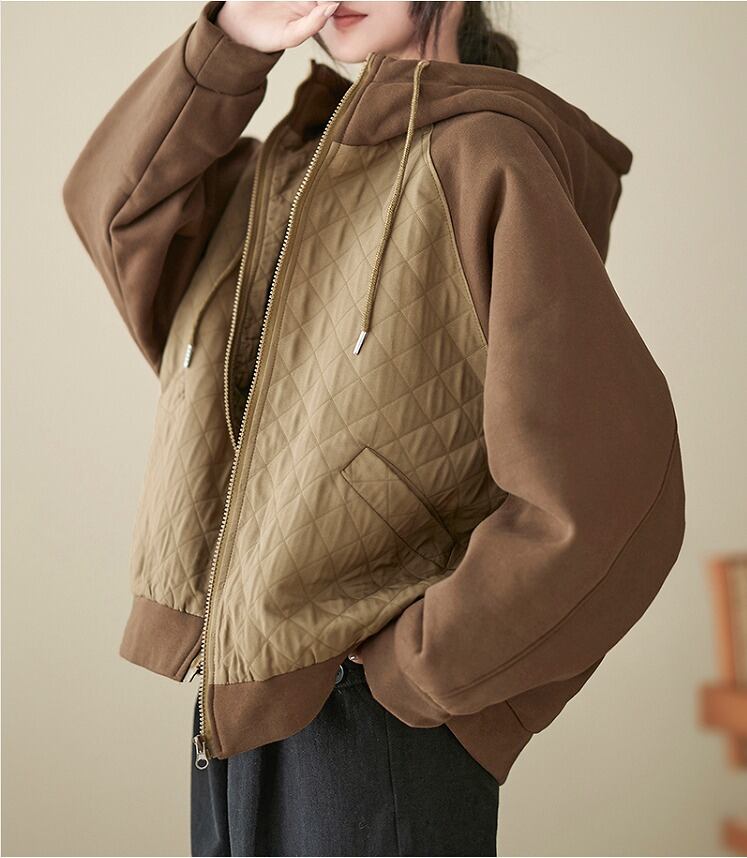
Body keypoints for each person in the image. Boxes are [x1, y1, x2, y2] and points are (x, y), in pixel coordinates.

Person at [61, 1, 686, 855]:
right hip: (238, 693)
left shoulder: (485, 154)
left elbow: (608, 482)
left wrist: (420, 672)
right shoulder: (286, 168)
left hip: (369, 723)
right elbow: (112, 212)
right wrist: (227, 45)